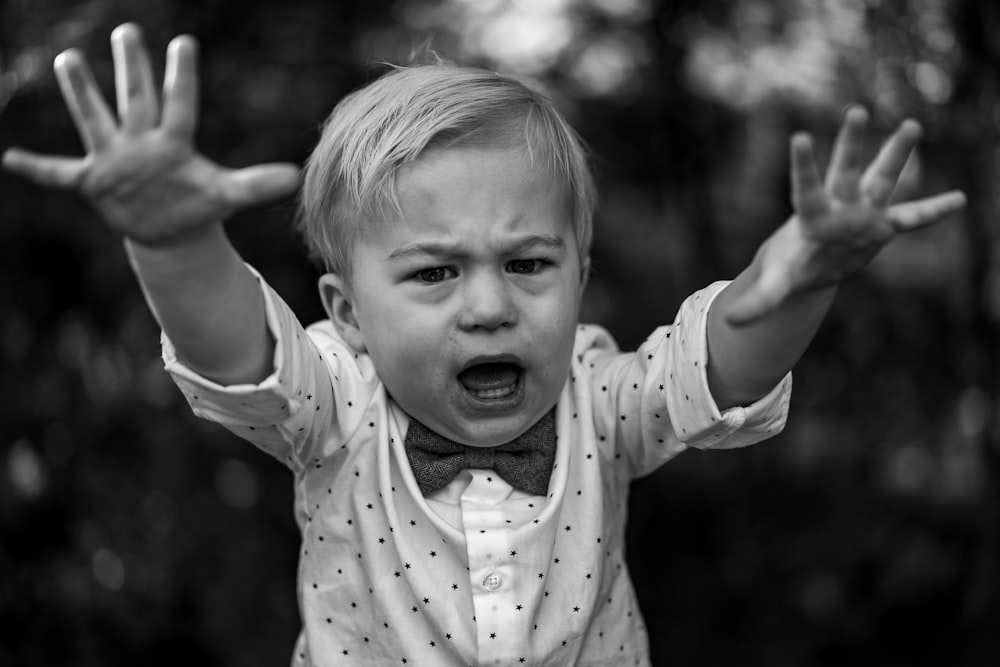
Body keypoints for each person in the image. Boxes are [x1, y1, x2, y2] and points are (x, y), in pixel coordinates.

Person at [2, 22, 966, 667]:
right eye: (433, 272)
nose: (489, 305)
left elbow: (717, 367)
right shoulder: (337, 400)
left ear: (580, 276)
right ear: (345, 310)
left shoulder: (597, 390)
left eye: (529, 263)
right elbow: (231, 348)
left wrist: (796, 280)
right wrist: (173, 242)